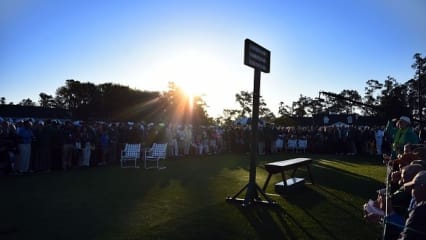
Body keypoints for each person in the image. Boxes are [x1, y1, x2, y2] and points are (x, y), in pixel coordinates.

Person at [398, 170, 426, 239]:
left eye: (413, 186)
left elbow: (406, 236)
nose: (411, 190)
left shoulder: (420, 210)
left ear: (423, 187)